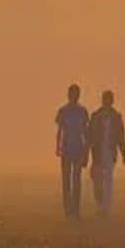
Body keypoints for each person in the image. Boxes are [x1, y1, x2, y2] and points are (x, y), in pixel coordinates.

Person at [88, 90, 125, 218]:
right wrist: (86, 151)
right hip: (97, 153)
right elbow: (90, 136)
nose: (107, 102)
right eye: (106, 99)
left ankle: (106, 208)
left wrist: (124, 154)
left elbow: (121, 137)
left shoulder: (116, 117)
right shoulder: (95, 116)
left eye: (109, 99)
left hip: (110, 152)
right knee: (97, 180)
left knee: (108, 181)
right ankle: (100, 204)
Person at [55, 84, 90, 219]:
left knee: (75, 179)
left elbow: (86, 133)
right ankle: (69, 209)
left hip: (77, 148)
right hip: (67, 148)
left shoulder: (82, 112)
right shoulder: (63, 111)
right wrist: (58, 146)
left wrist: (86, 151)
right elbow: (60, 131)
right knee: (67, 180)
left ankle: (75, 209)